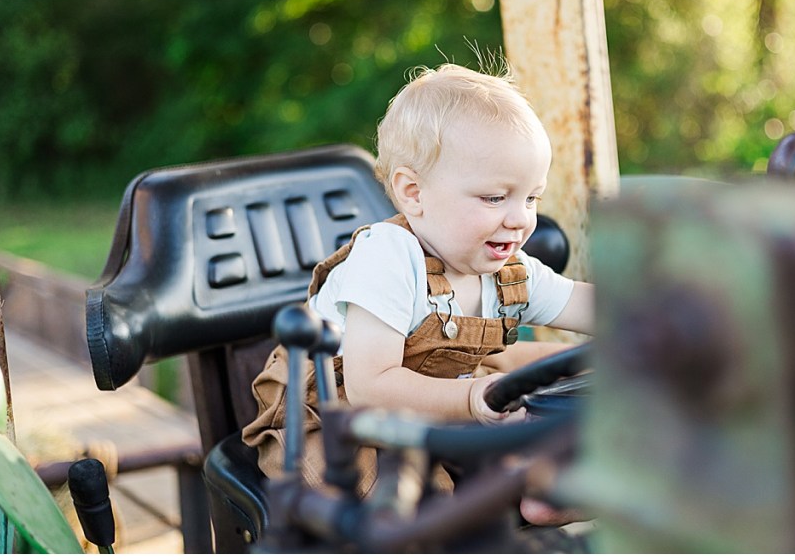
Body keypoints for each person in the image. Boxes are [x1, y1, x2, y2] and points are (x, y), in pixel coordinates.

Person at [242, 60, 594, 525]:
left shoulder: (508, 270)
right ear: (413, 193)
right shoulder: (387, 257)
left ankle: (548, 483)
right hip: (336, 414)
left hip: (440, 393)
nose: (519, 218)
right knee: (419, 516)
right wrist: (470, 401)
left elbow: (582, 302)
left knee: (556, 372)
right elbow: (371, 387)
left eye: (531, 198)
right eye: (494, 198)